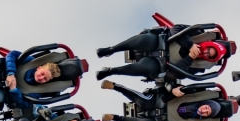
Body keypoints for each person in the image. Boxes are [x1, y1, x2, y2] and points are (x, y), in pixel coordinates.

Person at [100, 81, 233, 121]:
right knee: (143, 101)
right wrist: (173, 89)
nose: (204, 111)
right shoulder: (195, 93)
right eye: (206, 108)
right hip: (162, 101)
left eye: (207, 113)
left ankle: (114, 117)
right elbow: (170, 85)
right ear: (205, 103)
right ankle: (115, 86)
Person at [96, 25, 228, 80]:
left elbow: (179, 75)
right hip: (161, 42)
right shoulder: (198, 33)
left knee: (143, 68)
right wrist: (190, 45)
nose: (205, 53)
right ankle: (111, 50)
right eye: (208, 49)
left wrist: (189, 58)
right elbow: (176, 29)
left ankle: (110, 71)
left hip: (161, 63)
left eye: (209, 55)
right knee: (143, 40)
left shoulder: (200, 68)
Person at [0, 50, 71, 113]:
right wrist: (11, 73)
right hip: (3, 73)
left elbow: (24, 104)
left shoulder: (38, 92)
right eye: (42, 74)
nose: (41, 78)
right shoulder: (30, 62)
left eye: (45, 79)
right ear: (39, 68)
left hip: (7, 93)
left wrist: (14, 90)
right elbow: (12, 54)